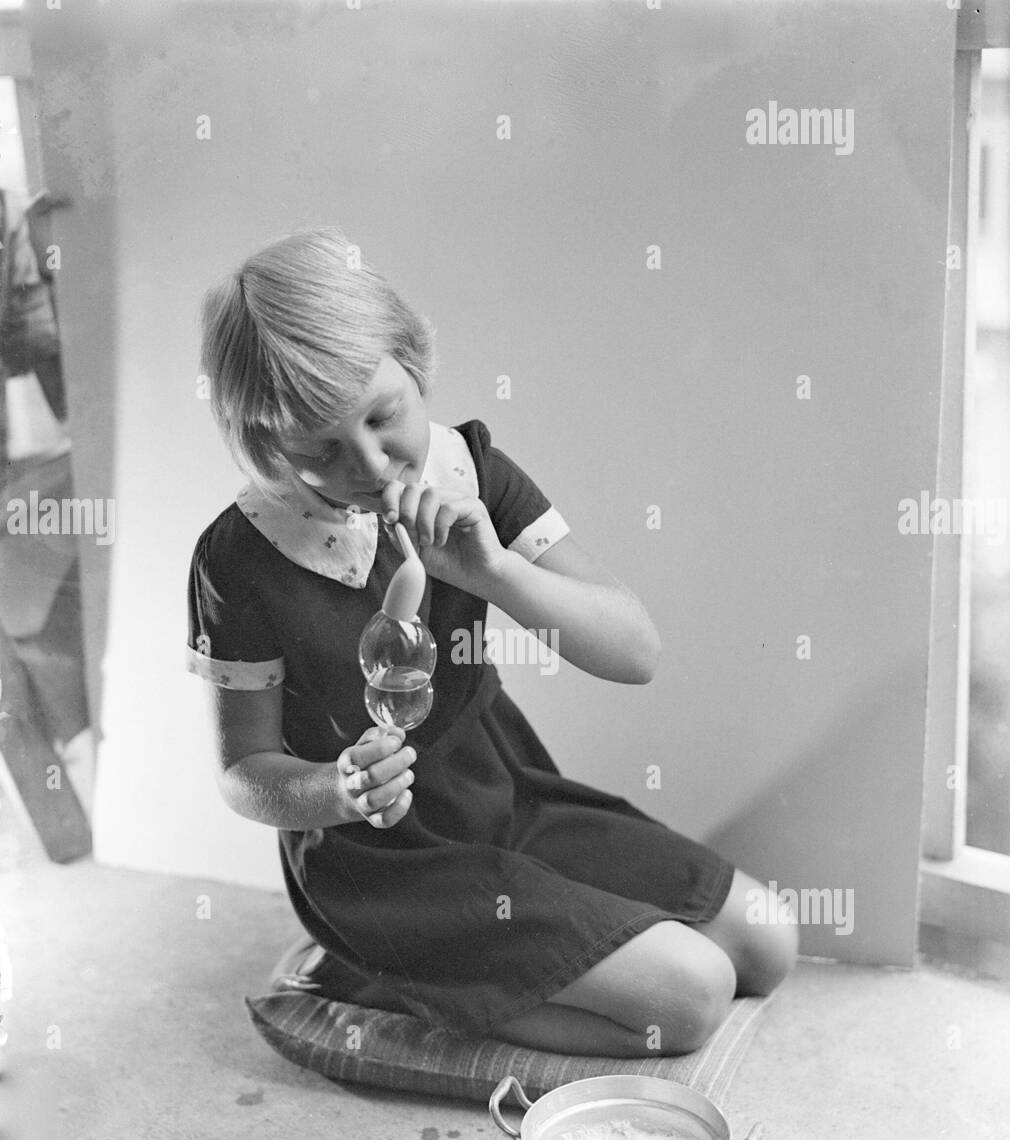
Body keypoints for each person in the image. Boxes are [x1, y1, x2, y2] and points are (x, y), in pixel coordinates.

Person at [187, 227, 797, 1057]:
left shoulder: (469, 473)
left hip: (504, 791)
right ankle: (384, 974)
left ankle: (472, 962)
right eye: (320, 450)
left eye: (383, 416)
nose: (369, 461)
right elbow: (241, 774)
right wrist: (337, 790)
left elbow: (635, 651)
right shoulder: (240, 557)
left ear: (413, 361)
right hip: (383, 863)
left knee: (766, 943)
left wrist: (496, 575)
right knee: (689, 1003)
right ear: (267, 447)